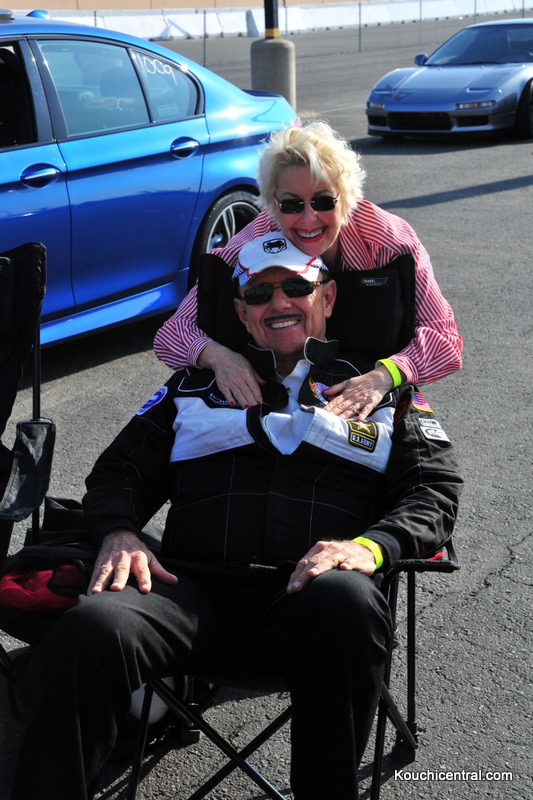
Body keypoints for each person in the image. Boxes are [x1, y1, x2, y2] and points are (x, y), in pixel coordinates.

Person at [10, 234, 463, 800]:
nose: (279, 302)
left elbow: (433, 489)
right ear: (242, 312)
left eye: (296, 286)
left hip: (313, 600)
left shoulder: (383, 392)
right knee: (91, 627)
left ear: (327, 297)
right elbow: (118, 472)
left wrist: (371, 548)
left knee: (348, 600)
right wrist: (119, 533)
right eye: (259, 293)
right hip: (190, 595)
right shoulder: (193, 385)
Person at [154, 120, 462, 420]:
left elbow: (445, 340)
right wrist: (220, 358)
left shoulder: (390, 242)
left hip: (372, 395)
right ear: (273, 205)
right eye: (291, 205)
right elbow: (171, 333)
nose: (308, 218)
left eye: (323, 201)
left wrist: (383, 376)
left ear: (347, 197)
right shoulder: (253, 243)